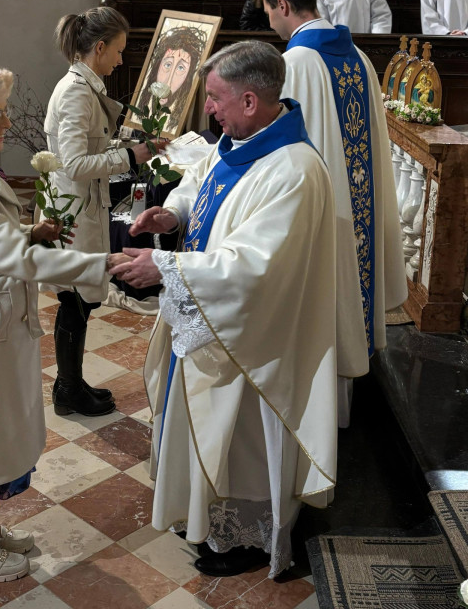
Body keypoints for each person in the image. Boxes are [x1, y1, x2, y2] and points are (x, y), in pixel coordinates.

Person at [110, 41, 338, 578]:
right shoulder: (238, 141)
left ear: (251, 101)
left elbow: (254, 266)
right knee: (206, 427)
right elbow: (204, 184)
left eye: (214, 98)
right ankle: (209, 520)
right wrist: (173, 215)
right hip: (209, 320)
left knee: (241, 441)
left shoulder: (294, 170)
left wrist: (167, 270)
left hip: (254, 340)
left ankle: (248, 535)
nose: (207, 108)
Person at [0, 63, 127, 582]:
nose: (5, 123)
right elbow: (17, 261)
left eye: (3, 111)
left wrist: (29, 230)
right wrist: (99, 262)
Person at [256, 0, 407, 425]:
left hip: (322, 214)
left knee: (320, 303)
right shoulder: (357, 56)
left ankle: (318, 422)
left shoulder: (295, 63)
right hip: (355, 210)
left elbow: (281, 149)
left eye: (268, 13)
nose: (270, 24)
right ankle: (342, 412)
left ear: (283, 5)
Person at [42, 7, 166, 417]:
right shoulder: (77, 91)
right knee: (75, 298)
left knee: (78, 298)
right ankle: (68, 390)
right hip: (75, 212)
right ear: (98, 48)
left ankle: (70, 384)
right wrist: (130, 156)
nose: (119, 59)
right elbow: (75, 164)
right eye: (117, 51)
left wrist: (134, 147)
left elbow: (87, 153)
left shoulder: (80, 84)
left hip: (78, 206)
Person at [135, 25, 208, 134]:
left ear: (187, 78)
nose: (168, 82)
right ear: (157, 67)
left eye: (180, 68)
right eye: (168, 64)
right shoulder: (141, 111)